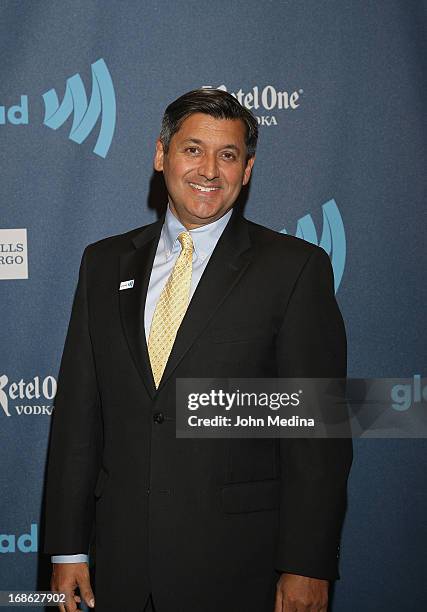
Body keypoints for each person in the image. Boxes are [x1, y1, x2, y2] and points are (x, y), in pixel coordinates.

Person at [43, 88, 352, 612]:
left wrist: (307, 564)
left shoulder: (294, 269)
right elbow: (79, 417)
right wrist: (67, 547)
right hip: (118, 568)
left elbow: (317, 436)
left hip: (237, 569)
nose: (209, 169)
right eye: (193, 149)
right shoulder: (103, 264)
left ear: (247, 170)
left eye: (228, 155)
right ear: (161, 155)